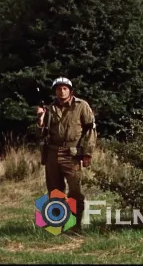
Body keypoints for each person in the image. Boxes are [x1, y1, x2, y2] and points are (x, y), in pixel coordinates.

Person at [36, 77, 98, 234]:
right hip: (52, 153)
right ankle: (58, 225)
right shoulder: (50, 109)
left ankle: (75, 226)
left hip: (73, 154)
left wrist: (87, 153)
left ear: (70, 90)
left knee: (75, 191)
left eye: (65, 88)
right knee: (54, 191)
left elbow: (90, 131)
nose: (61, 91)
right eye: (58, 89)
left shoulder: (81, 106)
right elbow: (40, 134)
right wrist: (40, 120)